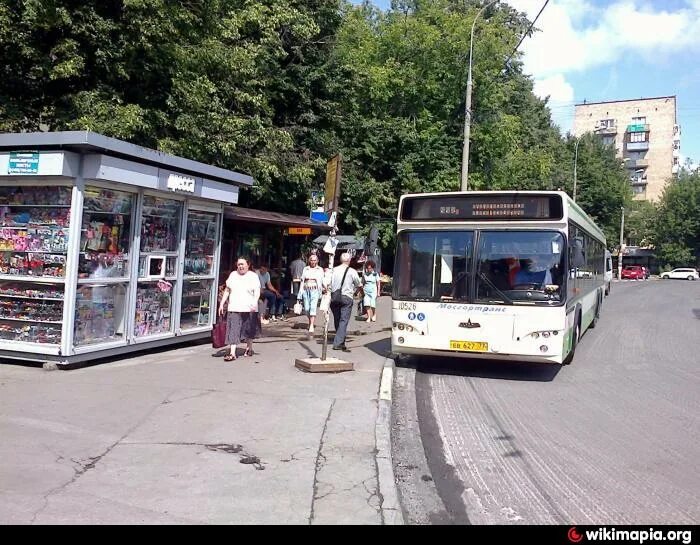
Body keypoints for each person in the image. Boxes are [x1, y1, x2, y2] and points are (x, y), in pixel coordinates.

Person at [218, 257, 261, 361]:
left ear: (248, 265)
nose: (240, 266)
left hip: (249, 307)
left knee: (249, 329)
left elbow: (257, 291)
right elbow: (228, 290)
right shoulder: (233, 275)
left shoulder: (253, 276)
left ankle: (249, 347)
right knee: (233, 329)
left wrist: (254, 303)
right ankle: (232, 353)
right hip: (234, 306)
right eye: (239, 264)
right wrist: (222, 303)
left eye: (242, 264)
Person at [329, 253, 361, 352]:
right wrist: (358, 292)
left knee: (337, 319)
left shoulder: (333, 270)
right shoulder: (352, 271)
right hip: (346, 297)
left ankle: (341, 341)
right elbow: (358, 284)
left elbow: (328, 282)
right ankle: (338, 343)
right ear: (349, 260)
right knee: (343, 320)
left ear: (340, 260)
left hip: (334, 297)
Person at [297, 253, 326, 333]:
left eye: (315, 260)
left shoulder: (320, 269)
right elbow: (302, 280)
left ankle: (311, 325)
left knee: (313, 307)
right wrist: (300, 292)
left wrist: (325, 288)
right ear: (309, 261)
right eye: (312, 260)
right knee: (306, 308)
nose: (313, 262)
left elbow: (323, 280)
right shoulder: (306, 269)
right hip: (306, 289)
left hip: (315, 290)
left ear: (317, 261)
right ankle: (310, 321)